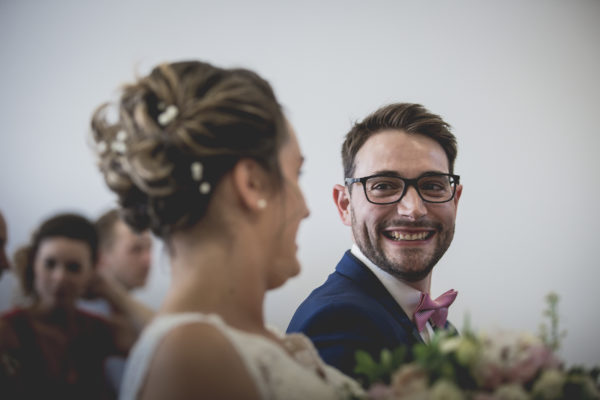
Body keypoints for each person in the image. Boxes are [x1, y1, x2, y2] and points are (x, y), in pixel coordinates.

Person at [90, 60, 364, 400]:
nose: (306, 209)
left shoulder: (242, 342)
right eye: (297, 175)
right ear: (252, 184)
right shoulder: (193, 358)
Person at [287, 103, 463, 383]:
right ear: (345, 204)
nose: (413, 209)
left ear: (455, 199)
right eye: (383, 185)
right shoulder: (336, 323)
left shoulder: (440, 326)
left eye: (432, 185)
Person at [0, 213, 137, 399]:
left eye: (73, 267)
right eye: (50, 264)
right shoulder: (8, 330)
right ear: (34, 264)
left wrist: (114, 294)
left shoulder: (97, 329)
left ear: (92, 270)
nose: (60, 277)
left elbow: (163, 344)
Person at [79, 209, 155, 395]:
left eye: (149, 248)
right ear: (101, 256)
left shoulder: (132, 312)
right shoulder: (83, 316)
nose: (148, 260)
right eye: (136, 249)